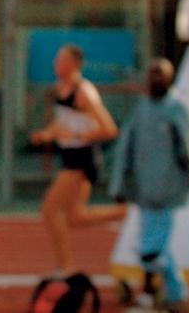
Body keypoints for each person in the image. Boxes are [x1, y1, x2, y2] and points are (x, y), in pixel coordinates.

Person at [30, 44, 126, 275]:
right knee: (75, 217)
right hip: (69, 156)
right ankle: (127, 212)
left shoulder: (84, 92)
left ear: (74, 64)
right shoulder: (59, 89)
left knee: (50, 210)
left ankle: (65, 267)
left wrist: (75, 136)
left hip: (82, 159)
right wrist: (47, 134)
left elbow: (110, 130)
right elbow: (63, 122)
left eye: (61, 59)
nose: (56, 63)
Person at [109, 58, 189, 313]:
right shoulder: (142, 110)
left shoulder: (176, 109)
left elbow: (187, 151)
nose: (156, 79)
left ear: (170, 78)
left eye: (161, 74)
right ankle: (169, 294)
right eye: (152, 74)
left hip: (167, 188)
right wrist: (120, 184)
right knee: (154, 245)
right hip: (145, 189)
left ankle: (163, 293)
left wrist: (186, 180)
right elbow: (126, 148)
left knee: (152, 247)